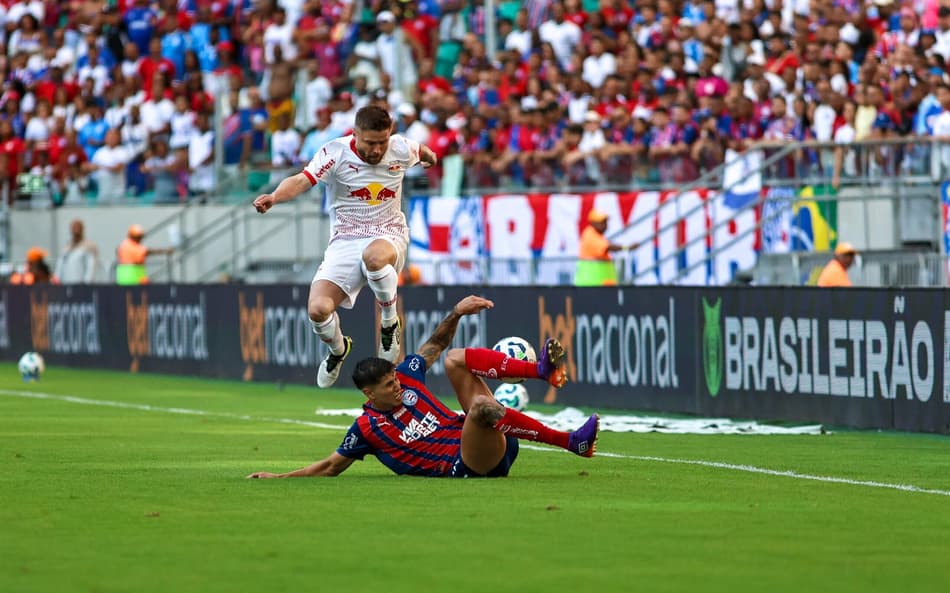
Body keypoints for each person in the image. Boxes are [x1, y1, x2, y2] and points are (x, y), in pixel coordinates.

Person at [247, 295, 599, 480]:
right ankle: (572, 442)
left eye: (396, 379)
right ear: (370, 394)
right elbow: (330, 466)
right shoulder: (367, 428)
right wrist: (279, 476)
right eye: (389, 385)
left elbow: (436, 344)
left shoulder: (407, 377)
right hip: (469, 463)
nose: (398, 386)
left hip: (494, 442)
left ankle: (540, 371)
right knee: (480, 407)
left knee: (455, 359)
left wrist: (457, 312)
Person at [252, 105, 438, 388]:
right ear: (355, 134)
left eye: (382, 142)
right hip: (345, 241)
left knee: (374, 257)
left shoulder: (400, 147)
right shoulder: (335, 153)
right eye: (370, 143)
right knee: (318, 309)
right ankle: (338, 350)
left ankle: (389, 322)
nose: (377, 150)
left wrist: (430, 157)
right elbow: (303, 180)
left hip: (388, 233)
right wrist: (274, 197)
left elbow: (423, 151)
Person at [575, 209, 635, 286]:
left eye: (606, 222)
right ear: (593, 223)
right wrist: (627, 247)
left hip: (600, 284)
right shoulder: (590, 236)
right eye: (602, 222)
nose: (605, 225)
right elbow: (608, 247)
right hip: (591, 284)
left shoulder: (598, 236)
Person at [56, 219, 100, 284]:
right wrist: (57, 280)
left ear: (82, 229)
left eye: (77, 227)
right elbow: (59, 267)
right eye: (73, 227)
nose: (75, 230)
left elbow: (90, 269)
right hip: (65, 284)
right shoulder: (66, 249)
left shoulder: (88, 247)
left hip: (80, 285)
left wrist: (86, 284)